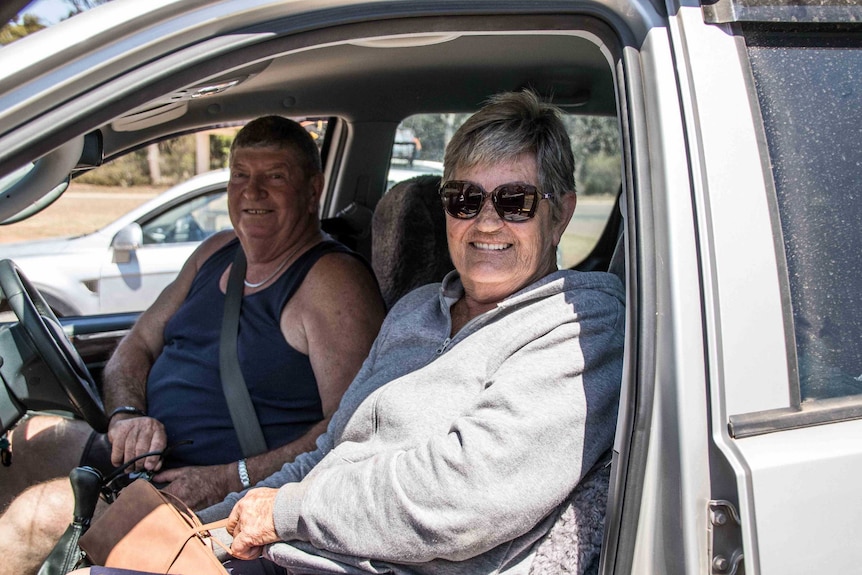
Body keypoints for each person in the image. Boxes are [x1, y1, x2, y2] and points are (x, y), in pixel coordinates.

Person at [79, 89, 626, 575]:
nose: (486, 222)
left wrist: (282, 511)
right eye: (465, 199)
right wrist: (209, 523)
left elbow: (463, 496)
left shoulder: (580, 323)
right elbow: (330, 447)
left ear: (561, 213)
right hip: (287, 548)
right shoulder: (416, 310)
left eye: (514, 202)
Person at [0, 116, 386, 575]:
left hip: (221, 500)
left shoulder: (332, 283)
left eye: (274, 177)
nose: (252, 191)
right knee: (29, 441)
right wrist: (126, 416)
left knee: (37, 517)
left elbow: (347, 436)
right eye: (240, 175)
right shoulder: (216, 252)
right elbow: (136, 344)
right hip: (143, 462)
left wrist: (228, 478)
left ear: (312, 189)